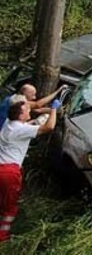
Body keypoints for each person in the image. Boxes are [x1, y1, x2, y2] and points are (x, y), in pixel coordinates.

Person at [0, 95, 60, 242]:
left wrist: (37, 118)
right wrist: (54, 110)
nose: (29, 112)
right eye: (27, 110)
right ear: (20, 115)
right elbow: (49, 127)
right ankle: (3, 237)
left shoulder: (9, 123)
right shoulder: (20, 130)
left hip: (2, 168)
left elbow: (27, 125)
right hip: (9, 173)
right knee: (10, 206)